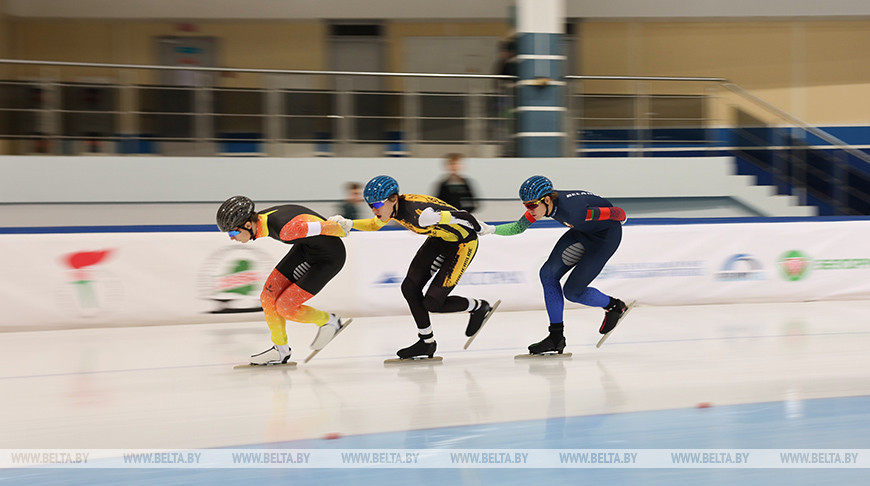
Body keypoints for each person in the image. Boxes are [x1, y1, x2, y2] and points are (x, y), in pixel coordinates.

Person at [329, 176, 492, 359]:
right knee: (409, 287)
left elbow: (464, 215)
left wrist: (481, 228)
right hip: (440, 239)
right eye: (370, 206)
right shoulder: (392, 209)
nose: (374, 210)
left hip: (463, 244)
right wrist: (349, 223)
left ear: (394, 199)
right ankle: (426, 342)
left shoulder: (420, 214)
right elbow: (375, 225)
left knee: (433, 303)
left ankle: (478, 307)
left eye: (376, 205)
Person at [478, 176, 629, 354]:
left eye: (532, 205)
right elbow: (519, 227)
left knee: (573, 292)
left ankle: (614, 306)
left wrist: (622, 218)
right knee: (547, 274)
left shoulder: (575, 211)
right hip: (581, 233)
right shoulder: (545, 204)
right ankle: (556, 337)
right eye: (526, 205)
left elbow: (617, 212)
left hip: (605, 239)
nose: (529, 210)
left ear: (547, 200)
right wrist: (490, 229)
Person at [216, 196, 354, 365]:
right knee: (268, 297)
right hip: (307, 248)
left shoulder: (285, 230)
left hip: (329, 258)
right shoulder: (265, 220)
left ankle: (330, 322)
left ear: (247, 225)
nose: (231, 238)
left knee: (286, 307)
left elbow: (333, 227)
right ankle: (280, 351)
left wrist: (340, 227)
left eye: (232, 232)